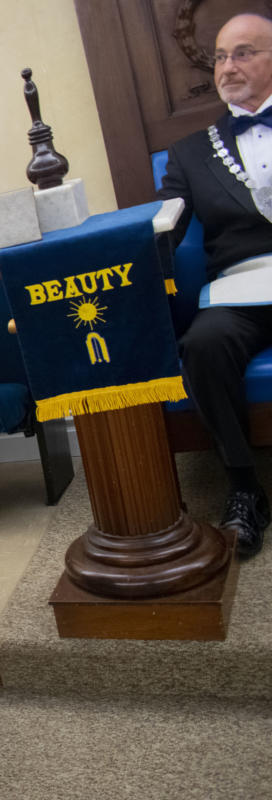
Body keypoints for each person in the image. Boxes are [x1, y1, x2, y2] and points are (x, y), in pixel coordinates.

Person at [157, 12, 272, 558]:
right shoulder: (188, 153)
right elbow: (163, 231)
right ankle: (245, 488)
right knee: (202, 344)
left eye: (243, 53)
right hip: (240, 290)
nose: (227, 67)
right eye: (221, 56)